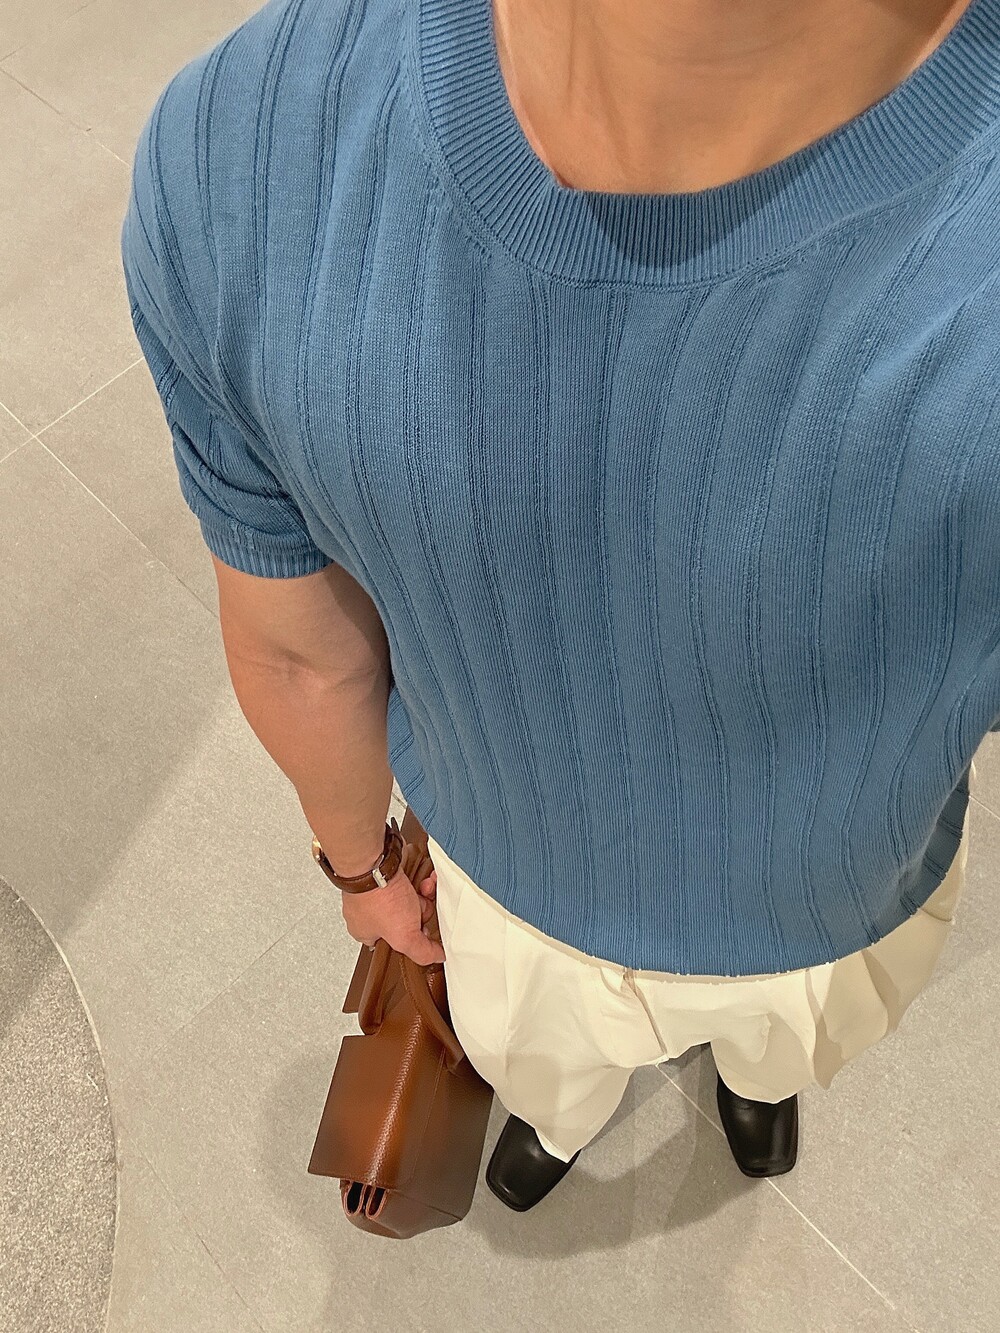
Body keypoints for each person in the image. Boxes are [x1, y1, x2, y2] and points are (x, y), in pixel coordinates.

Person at [122, 0, 1000, 1217]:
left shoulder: (247, 140)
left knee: (689, 1050)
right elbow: (299, 657)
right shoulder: (243, 144)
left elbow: (304, 656)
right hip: (749, 894)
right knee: (648, 1056)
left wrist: (362, 869)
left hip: (676, 897)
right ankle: (614, 1106)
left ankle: (700, 1093)